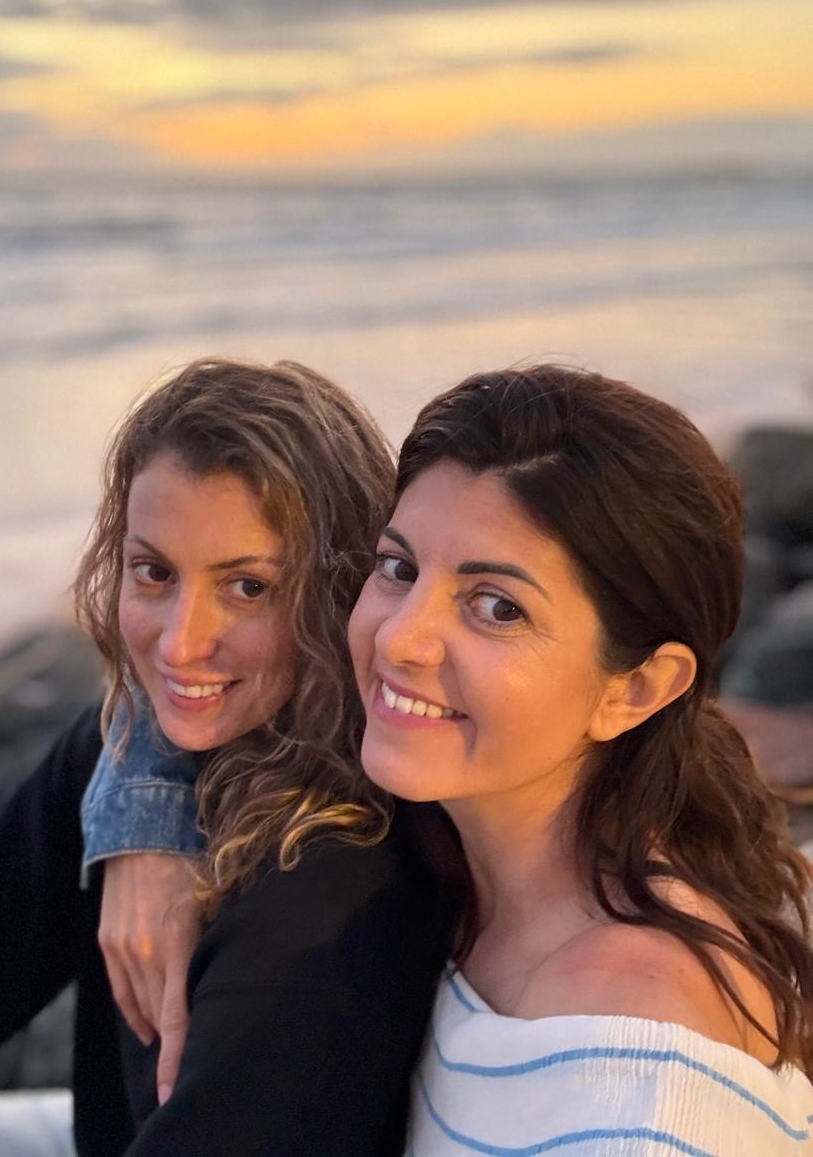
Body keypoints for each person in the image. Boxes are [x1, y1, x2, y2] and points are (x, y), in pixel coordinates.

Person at [0, 358, 452, 1156]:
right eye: (154, 573)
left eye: (247, 587)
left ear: (340, 586)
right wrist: (141, 807)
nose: (178, 644)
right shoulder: (127, 753)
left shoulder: (327, 903)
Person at [346, 366, 813, 1154]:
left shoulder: (636, 1074)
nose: (399, 638)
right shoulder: (458, 880)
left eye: (497, 607)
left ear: (634, 690)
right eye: (399, 568)